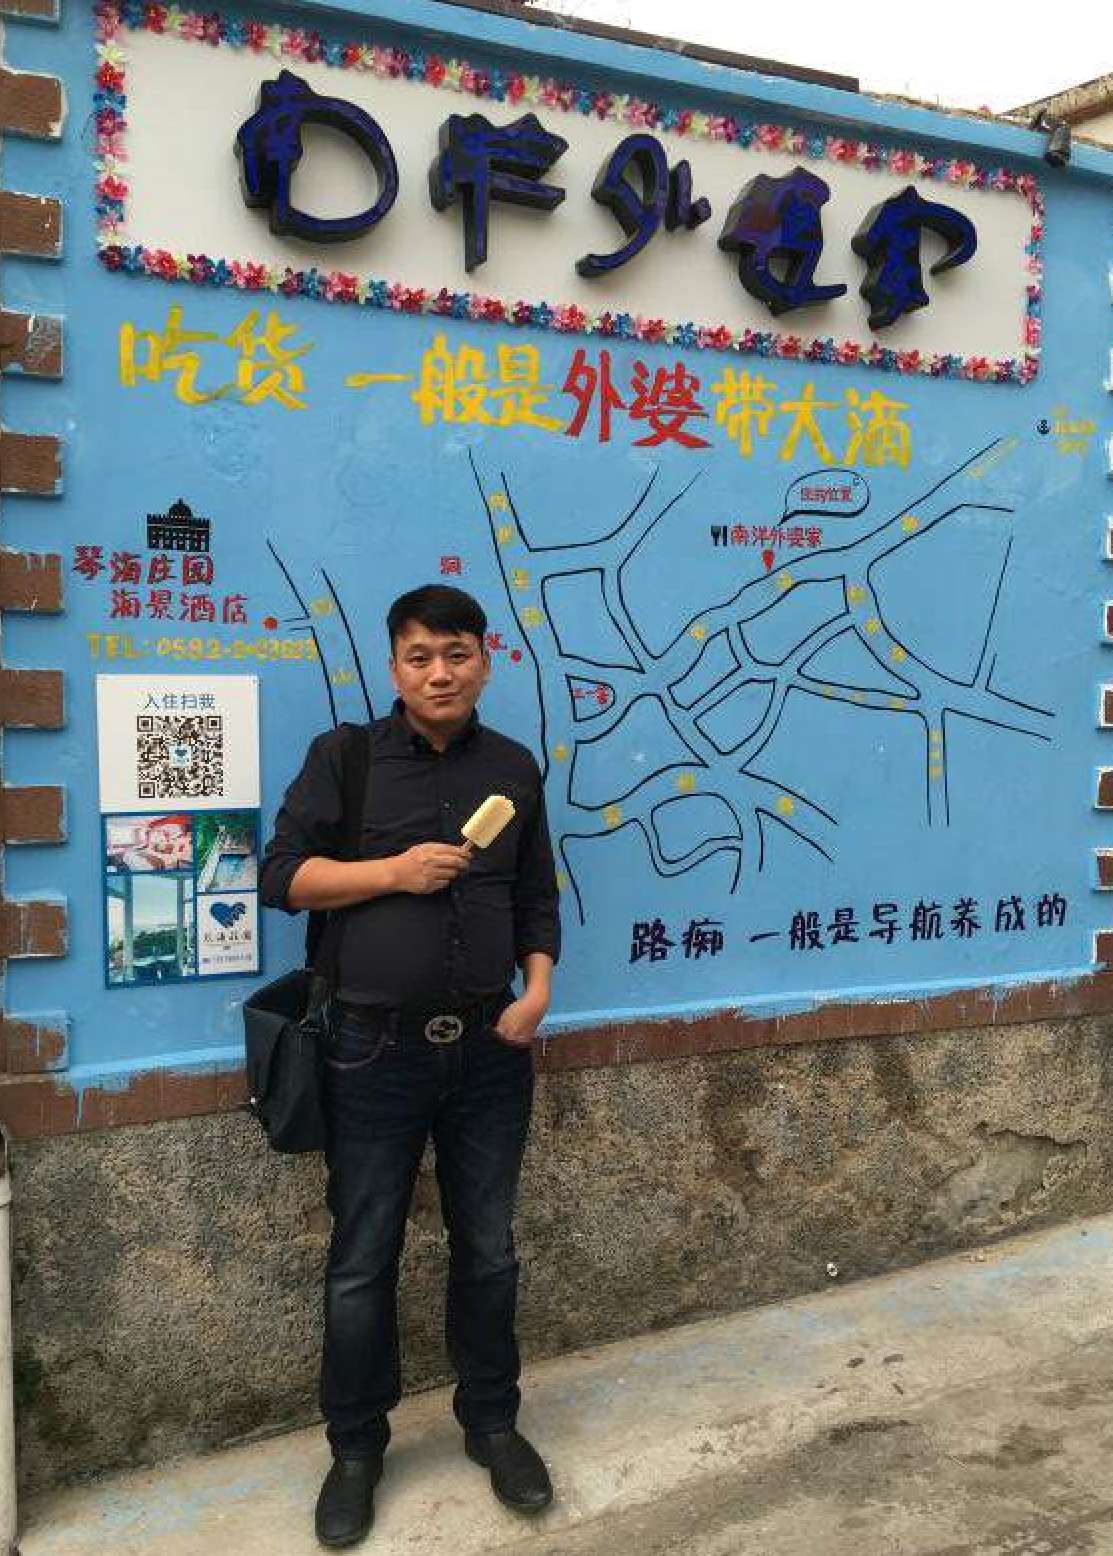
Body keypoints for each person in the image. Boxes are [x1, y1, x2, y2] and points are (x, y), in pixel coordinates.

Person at [259, 584, 560, 1549]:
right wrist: (395, 872)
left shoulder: (512, 767)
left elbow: (536, 893)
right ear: (394, 667)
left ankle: (492, 1423)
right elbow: (281, 879)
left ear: (486, 661)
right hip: (370, 1048)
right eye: (421, 656)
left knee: (489, 1247)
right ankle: (355, 1449)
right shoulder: (345, 759)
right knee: (361, 1258)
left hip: (488, 1046)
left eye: (457, 654)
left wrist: (536, 990)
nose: (439, 673)